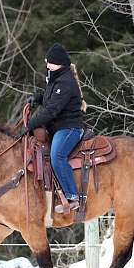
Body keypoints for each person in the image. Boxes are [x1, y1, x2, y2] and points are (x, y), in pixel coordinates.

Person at [20, 43, 85, 213]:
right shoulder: (56, 79)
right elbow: (51, 101)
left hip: (69, 128)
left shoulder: (65, 82)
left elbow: (51, 110)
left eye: (49, 62)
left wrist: (31, 125)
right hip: (58, 127)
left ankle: (72, 196)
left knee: (57, 156)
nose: (47, 65)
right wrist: (38, 98)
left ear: (59, 63)